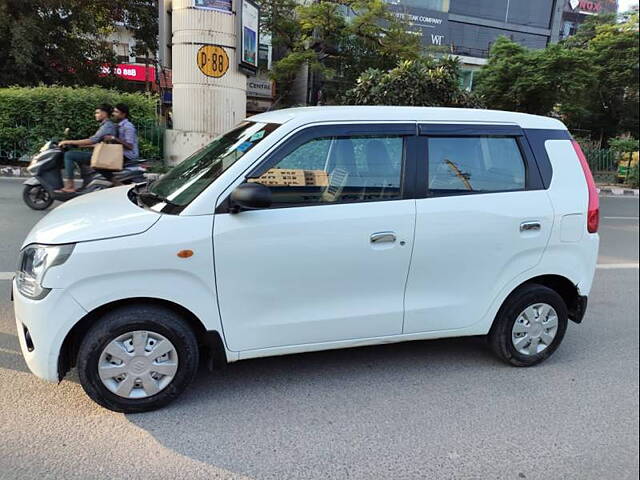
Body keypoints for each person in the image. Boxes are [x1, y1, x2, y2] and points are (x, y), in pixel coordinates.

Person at [56, 104, 116, 192]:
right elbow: (99, 143)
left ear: (104, 114)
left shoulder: (107, 126)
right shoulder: (106, 125)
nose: (95, 115)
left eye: (97, 113)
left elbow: (93, 140)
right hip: (103, 153)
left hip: (103, 156)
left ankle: (69, 186)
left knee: (69, 155)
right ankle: (86, 183)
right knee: (77, 156)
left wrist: (69, 141)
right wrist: (78, 145)